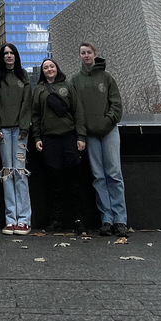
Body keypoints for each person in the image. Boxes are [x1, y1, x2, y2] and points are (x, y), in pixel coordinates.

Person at [70, 42, 127, 237]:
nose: (86, 56)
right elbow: (75, 108)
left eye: (89, 52)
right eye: (82, 53)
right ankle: (106, 219)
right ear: (79, 56)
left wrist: (107, 122)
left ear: (95, 54)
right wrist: (85, 130)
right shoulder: (75, 80)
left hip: (109, 131)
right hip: (90, 135)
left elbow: (117, 105)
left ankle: (120, 220)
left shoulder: (107, 77)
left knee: (114, 174)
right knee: (98, 177)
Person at [32, 58, 87, 235]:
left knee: (74, 181)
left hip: (69, 137)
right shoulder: (39, 90)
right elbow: (35, 116)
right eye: (46, 67)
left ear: (57, 68)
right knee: (53, 182)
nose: (49, 69)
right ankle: (55, 220)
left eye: (52, 66)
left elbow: (78, 111)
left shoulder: (68, 86)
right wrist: (37, 137)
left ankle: (78, 219)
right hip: (49, 139)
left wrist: (81, 136)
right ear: (43, 71)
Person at [0, 42, 32, 234]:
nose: (8, 56)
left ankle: (23, 220)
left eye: (11, 53)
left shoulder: (24, 75)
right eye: (5, 53)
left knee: (20, 173)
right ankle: (10, 219)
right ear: (1, 57)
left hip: (21, 131)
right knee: (7, 174)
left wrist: (24, 127)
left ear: (16, 55)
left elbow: (27, 103)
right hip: (3, 131)